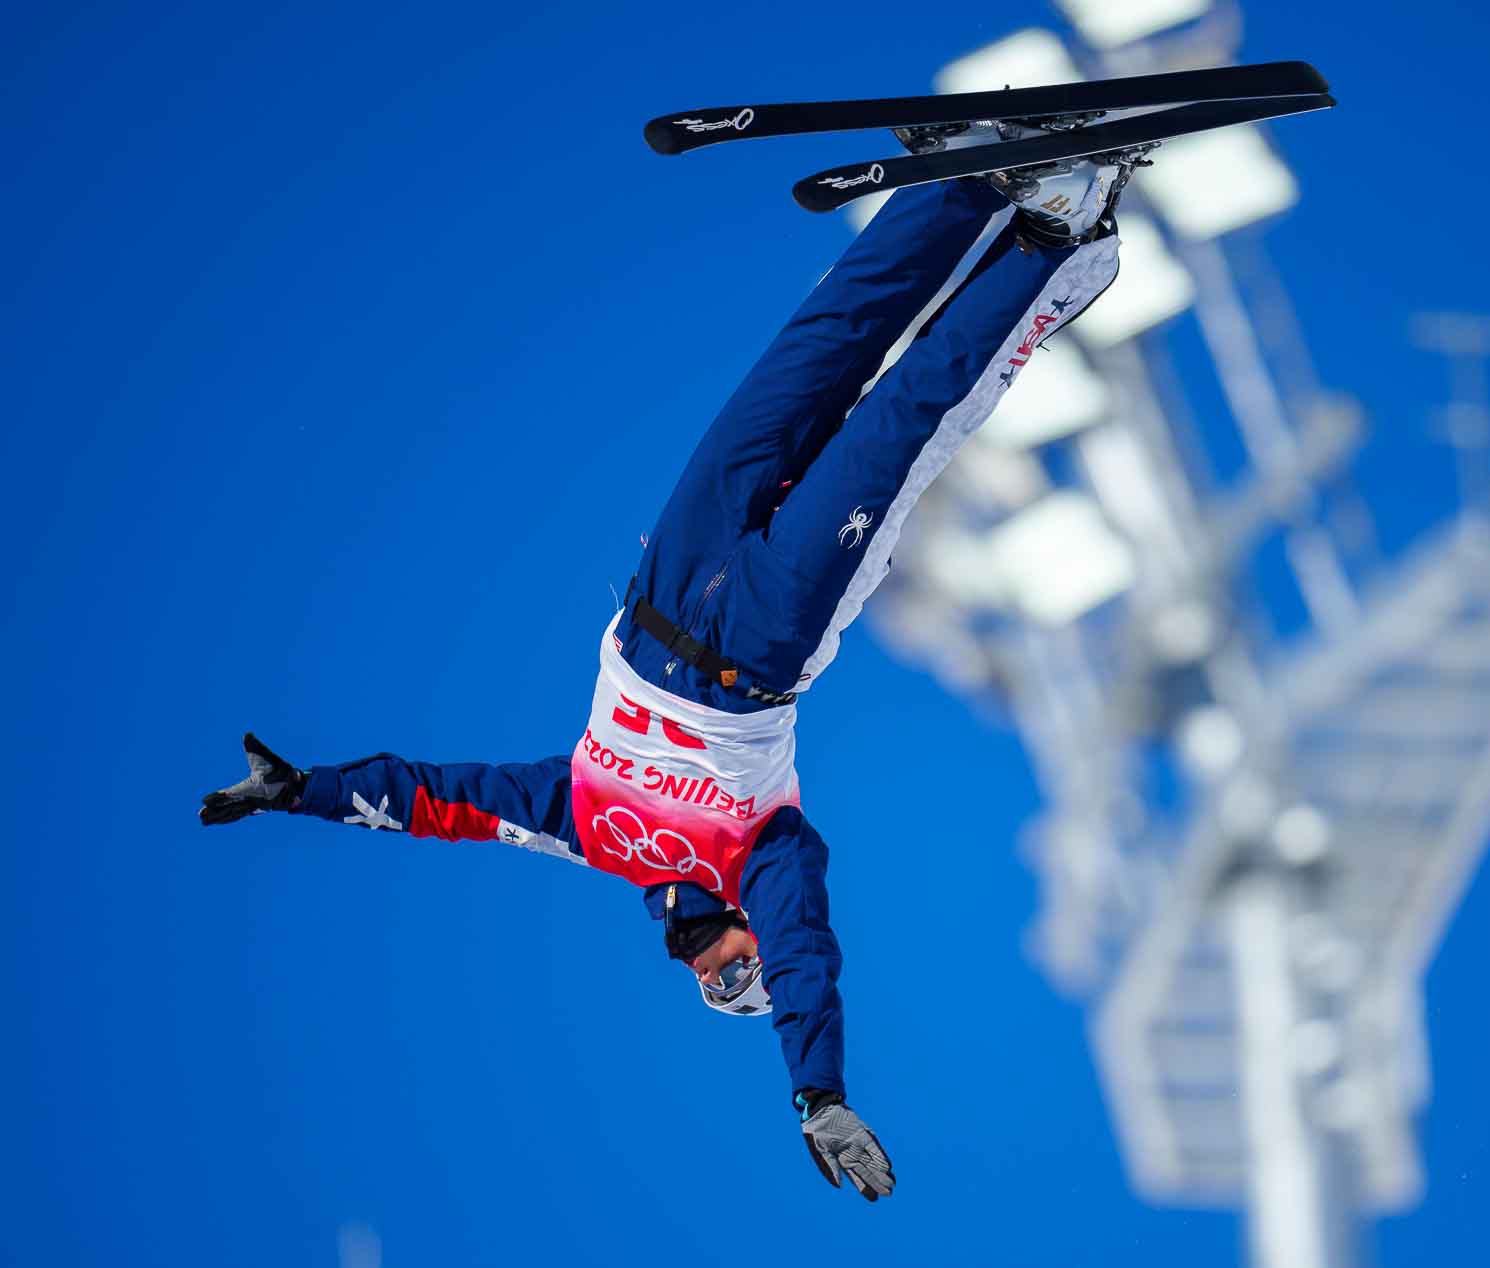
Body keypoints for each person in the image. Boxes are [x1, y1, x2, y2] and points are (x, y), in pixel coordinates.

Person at [199, 138, 1139, 1201]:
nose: (720, 968)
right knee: (896, 424)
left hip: (664, 588)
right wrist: (817, 1091)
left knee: (805, 360)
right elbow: (808, 958)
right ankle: (1060, 235)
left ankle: (962, 183)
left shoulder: (593, 832)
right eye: (739, 974)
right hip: (766, 638)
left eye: (717, 984)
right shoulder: (765, 862)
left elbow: (437, 803)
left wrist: (304, 792)